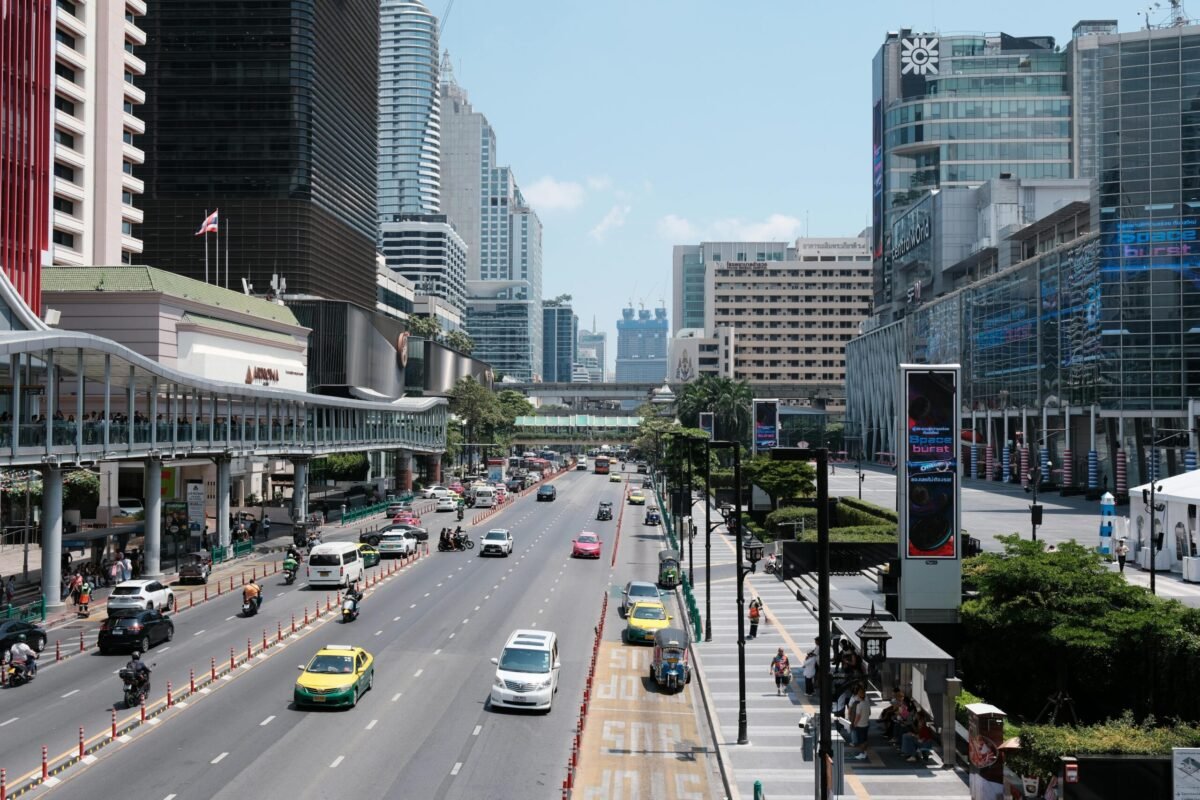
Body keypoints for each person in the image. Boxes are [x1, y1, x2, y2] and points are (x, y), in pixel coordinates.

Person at [850, 684, 872, 761]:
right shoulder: (867, 703)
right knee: (865, 739)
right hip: (866, 724)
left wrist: (854, 724)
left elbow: (858, 716)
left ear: (859, 696)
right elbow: (869, 713)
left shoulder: (859, 705)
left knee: (860, 741)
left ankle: (862, 753)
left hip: (860, 725)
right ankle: (864, 752)